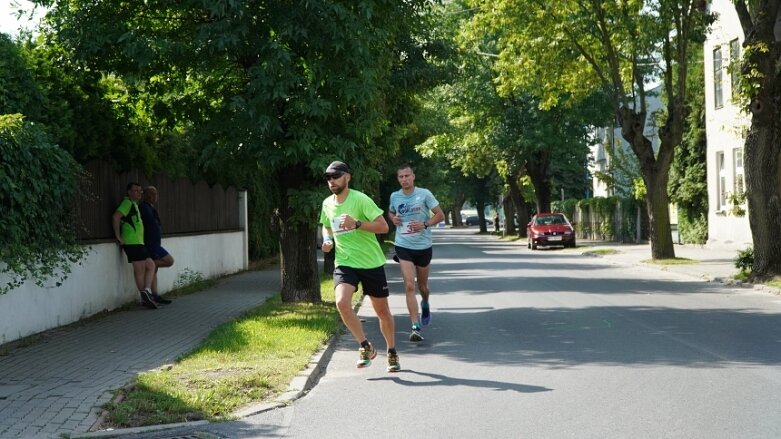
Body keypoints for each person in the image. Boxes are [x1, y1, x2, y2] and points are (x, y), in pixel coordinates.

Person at [319, 161, 400, 372]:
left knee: (382, 311)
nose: (331, 181)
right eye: (328, 177)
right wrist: (327, 240)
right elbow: (326, 226)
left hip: (371, 263)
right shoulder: (327, 203)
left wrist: (357, 224)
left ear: (347, 177)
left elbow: (383, 226)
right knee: (342, 303)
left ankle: (391, 351)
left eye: (335, 176)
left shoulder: (360, 199)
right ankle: (365, 346)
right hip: (345, 262)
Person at [388, 163, 445, 342]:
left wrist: (425, 224)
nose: (404, 179)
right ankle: (415, 325)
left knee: (423, 286)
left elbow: (440, 215)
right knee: (409, 285)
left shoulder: (424, 194)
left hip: (423, 246)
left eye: (407, 176)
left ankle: (425, 303)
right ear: (398, 179)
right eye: (401, 177)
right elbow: (390, 212)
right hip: (403, 244)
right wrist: (394, 219)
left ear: (413, 177)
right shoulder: (395, 196)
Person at [112, 182, 158, 309]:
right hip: (131, 242)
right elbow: (116, 217)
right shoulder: (127, 203)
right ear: (129, 192)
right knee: (140, 269)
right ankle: (144, 297)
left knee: (151, 265)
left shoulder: (134, 205)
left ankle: (146, 291)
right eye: (136, 190)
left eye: (140, 191)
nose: (139, 193)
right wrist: (118, 236)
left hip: (139, 242)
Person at [139, 185, 174, 305]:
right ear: (146, 195)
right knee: (169, 261)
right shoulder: (143, 207)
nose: (155, 197)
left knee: (154, 270)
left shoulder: (150, 208)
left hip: (155, 242)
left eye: (156, 194)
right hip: (151, 243)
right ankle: (149, 266)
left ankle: (155, 295)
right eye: (152, 194)